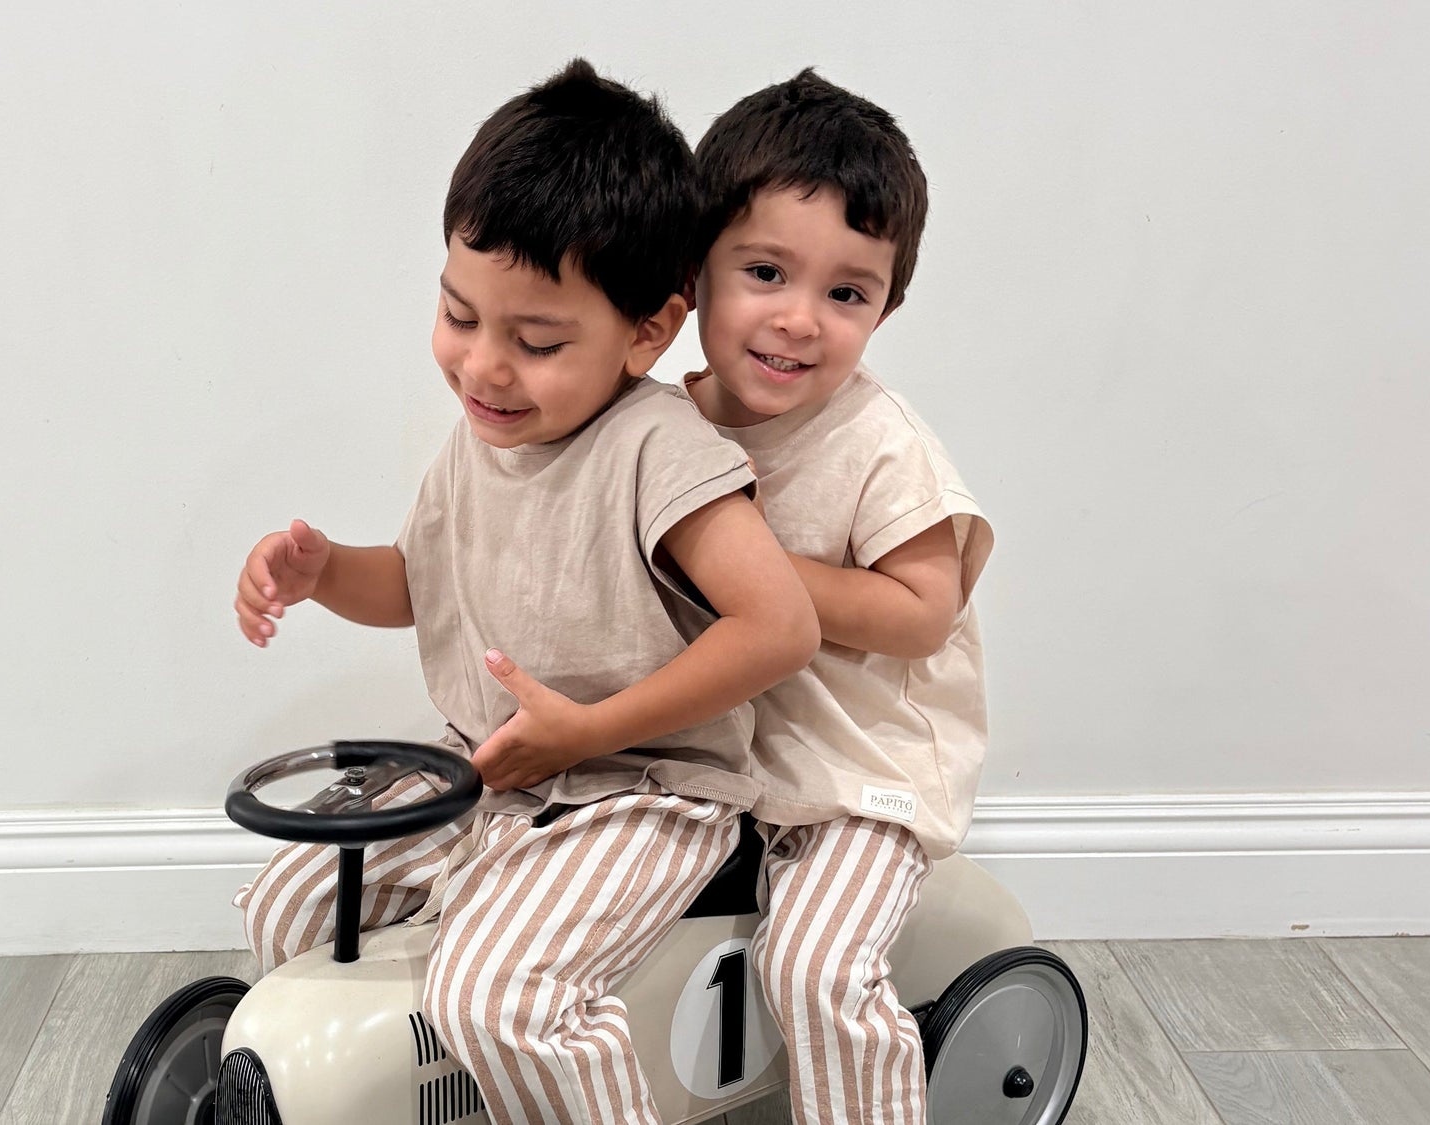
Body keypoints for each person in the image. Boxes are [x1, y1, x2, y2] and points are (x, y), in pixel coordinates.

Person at [229, 60, 820, 1125]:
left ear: (646, 330)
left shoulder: (657, 450)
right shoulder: (479, 441)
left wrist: (587, 729)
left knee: (501, 993)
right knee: (291, 907)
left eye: (536, 343)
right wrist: (324, 577)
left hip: (642, 793)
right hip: (494, 770)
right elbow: (418, 581)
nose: (483, 370)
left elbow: (779, 626)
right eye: (459, 317)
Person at [680, 69, 996, 1125]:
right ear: (693, 271)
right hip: (714, 757)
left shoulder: (875, 442)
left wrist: (757, 567)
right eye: (764, 271)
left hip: (852, 773)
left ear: (885, 306)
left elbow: (920, 610)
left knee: (814, 969)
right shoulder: (653, 426)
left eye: (845, 293)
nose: (797, 320)